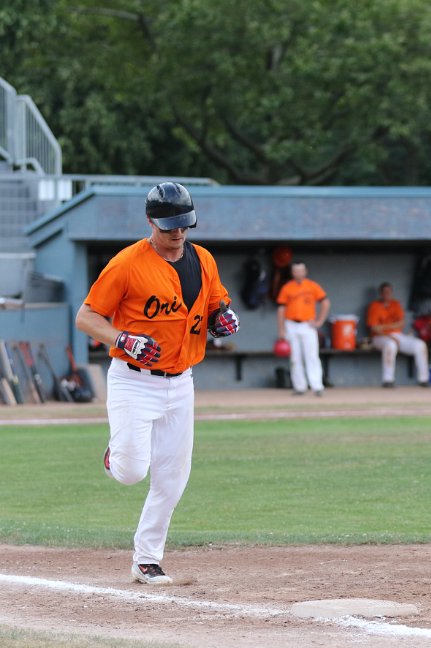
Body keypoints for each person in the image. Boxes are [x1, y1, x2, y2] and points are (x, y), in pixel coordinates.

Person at [75, 182, 239, 585]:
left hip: (182, 382)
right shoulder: (127, 263)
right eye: (169, 226)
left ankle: (146, 559)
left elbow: (216, 304)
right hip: (134, 381)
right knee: (132, 472)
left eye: (184, 224)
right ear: (151, 221)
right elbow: (86, 317)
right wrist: (121, 338)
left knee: (172, 477)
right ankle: (115, 456)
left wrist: (222, 318)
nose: (178, 232)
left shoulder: (203, 260)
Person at [275, 261, 331, 396]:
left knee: (312, 356)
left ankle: (317, 386)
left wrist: (319, 321)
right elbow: (281, 309)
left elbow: (325, 302)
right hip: (291, 324)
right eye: (296, 270)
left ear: (305, 271)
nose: (298, 273)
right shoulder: (287, 287)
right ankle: (299, 387)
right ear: (292, 272)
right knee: (295, 358)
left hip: (308, 325)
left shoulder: (312, 286)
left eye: (301, 270)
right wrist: (281, 329)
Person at [366, 282, 430, 388]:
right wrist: (389, 332)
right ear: (380, 293)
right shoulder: (374, 305)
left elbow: (401, 323)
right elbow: (373, 328)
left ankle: (424, 379)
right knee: (391, 345)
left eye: (389, 291)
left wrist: (383, 327)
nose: (387, 294)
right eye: (385, 292)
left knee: (420, 345)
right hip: (379, 337)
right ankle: (388, 380)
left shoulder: (395, 304)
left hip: (397, 335)